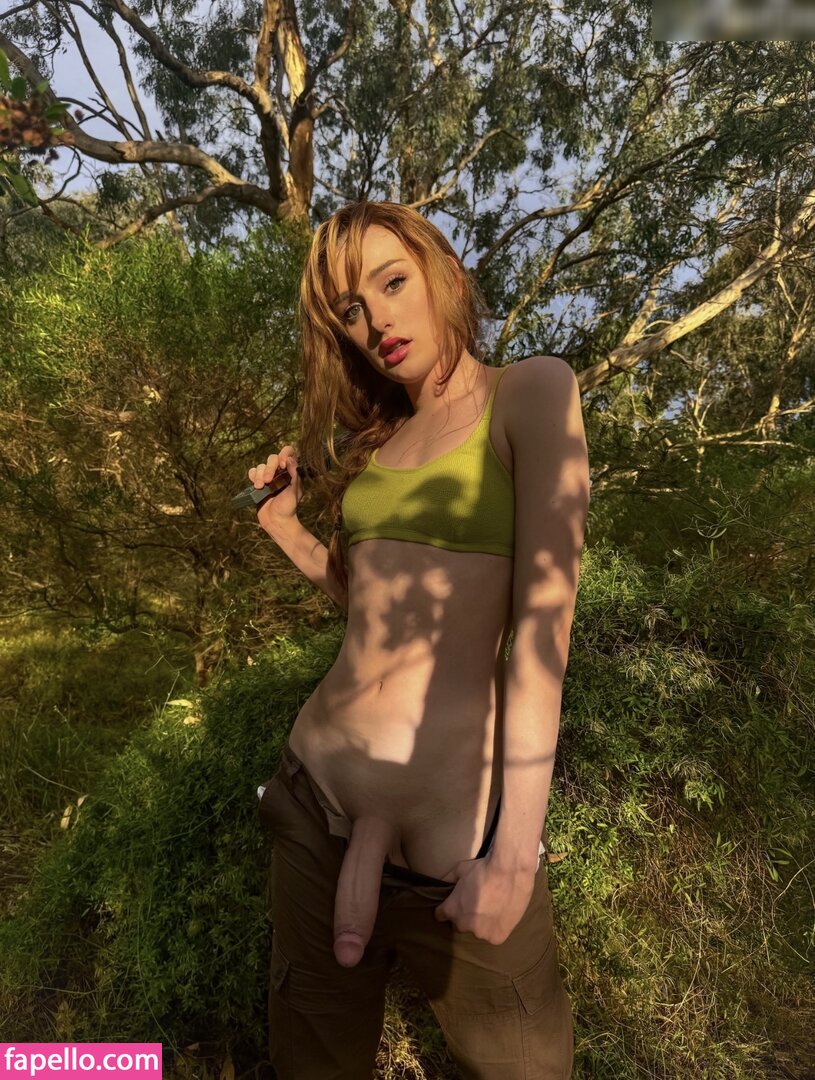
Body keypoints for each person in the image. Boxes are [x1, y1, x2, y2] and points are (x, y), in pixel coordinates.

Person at [253, 199, 590, 1079]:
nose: (377, 321)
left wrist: (512, 859)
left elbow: (542, 627)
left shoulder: (530, 392)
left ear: (442, 270)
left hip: (460, 848)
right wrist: (288, 531)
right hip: (317, 802)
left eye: (392, 282)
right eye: (351, 310)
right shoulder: (379, 443)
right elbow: (369, 611)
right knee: (310, 1064)